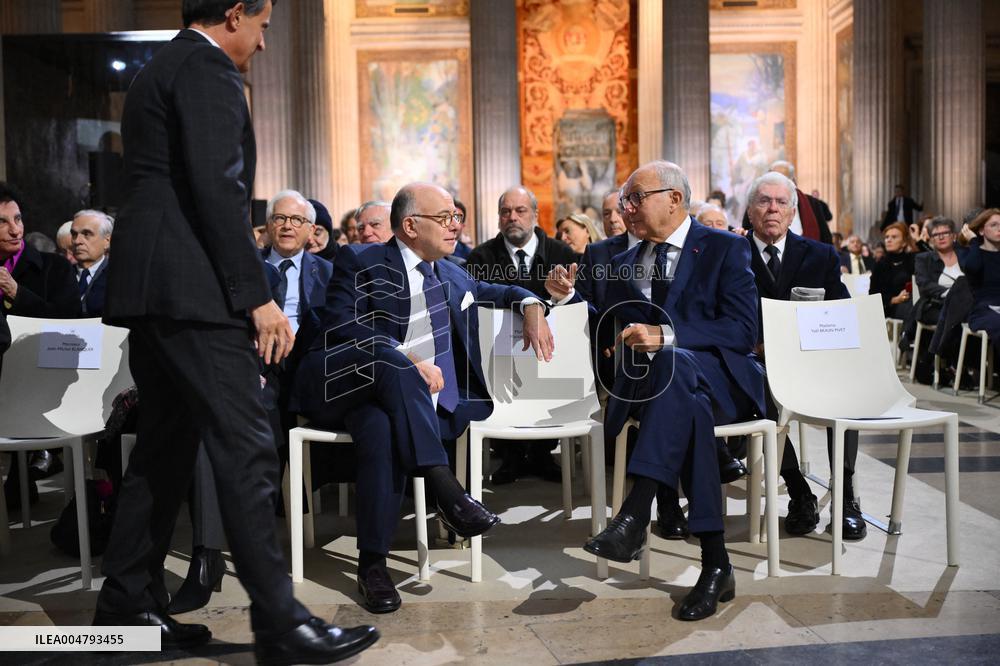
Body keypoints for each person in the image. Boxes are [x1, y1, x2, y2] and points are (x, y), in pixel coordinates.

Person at [94, 2, 378, 661]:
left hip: (154, 291)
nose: (265, 41)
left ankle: (126, 607)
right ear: (232, 13)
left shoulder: (156, 67)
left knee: (162, 449)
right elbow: (216, 190)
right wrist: (256, 297)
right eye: (263, 25)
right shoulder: (206, 68)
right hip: (193, 294)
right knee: (248, 445)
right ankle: (280, 623)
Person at [291, 181, 554, 614]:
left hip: (400, 406)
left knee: (378, 427)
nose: (456, 226)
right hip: (347, 381)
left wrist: (530, 304)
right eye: (445, 217)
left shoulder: (453, 271)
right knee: (394, 367)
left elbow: (501, 293)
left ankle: (372, 566)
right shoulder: (362, 259)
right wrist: (408, 358)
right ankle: (447, 490)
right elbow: (343, 326)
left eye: (457, 218)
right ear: (410, 225)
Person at [581, 160, 765, 621]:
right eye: (624, 201)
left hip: (723, 380)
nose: (626, 209)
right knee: (687, 401)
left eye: (635, 199)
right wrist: (555, 298)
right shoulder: (620, 262)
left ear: (674, 199)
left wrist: (667, 337)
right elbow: (589, 310)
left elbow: (743, 330)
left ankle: (635, 514)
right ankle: (715, 565)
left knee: (679, 369)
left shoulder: (723, 248)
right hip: (653, 389)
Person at [744, 170, 866, 540]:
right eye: (764, 201)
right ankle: (799, 492)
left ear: (793, 211)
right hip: (758, 362)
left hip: (811, 361)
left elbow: (842, 312)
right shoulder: (730, 254)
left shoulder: (820, 255)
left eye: (781, 202)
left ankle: (846, 498)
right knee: (751, 387)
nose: (772, 209)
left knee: (847, 391)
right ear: (750, 210)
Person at [465, 185, 577, 484]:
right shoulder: (480, 257)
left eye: (520, 210)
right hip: (498, 351)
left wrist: (553, 301)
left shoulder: (561, 253)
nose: (512, 217)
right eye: (505, 211)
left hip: (553, 352)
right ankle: (510, 455)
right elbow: (475, 306)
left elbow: (575, 307)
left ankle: (542, 453)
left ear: (536, 215)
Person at [0, 183, 80, 505]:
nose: (15, 229)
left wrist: (18, 294)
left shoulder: (54, 268)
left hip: (44, 383)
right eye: (3, 222)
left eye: (18, 219)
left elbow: (70, 327)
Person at [741, 160, 833, 244]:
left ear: (793, 182)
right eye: (771, 179)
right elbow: (747, 233)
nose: (773, 208)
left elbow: (826, 239)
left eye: (781, 202)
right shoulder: (755, 203)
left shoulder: (813, 204)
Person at [962, 208, 1000, 361]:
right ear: (981, 231)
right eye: (994, 225)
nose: (999, 229)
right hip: (982, 310)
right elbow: (973, 267)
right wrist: (973, 241)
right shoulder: (972, 252)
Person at [70, 209, 114, 317]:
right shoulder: (60, 275)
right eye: (74, 234)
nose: (77, 241)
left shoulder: (118, 277)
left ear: (107, 241)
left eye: (87, 234)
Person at [870, 222, 915, 320]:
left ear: (904, 242)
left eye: (894, 237)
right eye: (887, 237)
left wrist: (918, 239)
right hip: (890, 307)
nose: (888, 240)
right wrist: (894, 299)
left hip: (913, 301)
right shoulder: (880, 265)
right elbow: (873, 295)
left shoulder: (913, 259)